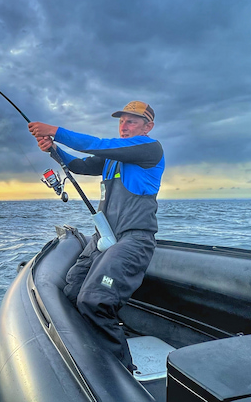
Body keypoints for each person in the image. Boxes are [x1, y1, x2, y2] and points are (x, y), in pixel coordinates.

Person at [28, 100, 164, 372]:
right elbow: (79, 164)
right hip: (104, 237)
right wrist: (56, 151)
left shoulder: (150, 149)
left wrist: (56, 131)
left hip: (133, 239)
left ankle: (120, 372)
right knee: (73, 289)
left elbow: (97, 144)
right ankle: (88, 355)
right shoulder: (113, 158)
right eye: (121, 120)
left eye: (132, 121)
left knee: (94, 299)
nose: (124, 126)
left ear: (148, 127)